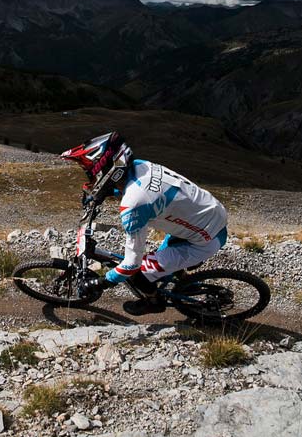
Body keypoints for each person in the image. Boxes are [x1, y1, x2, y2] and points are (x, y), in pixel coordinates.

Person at [60, 132, 228, 316]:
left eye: (90, 174)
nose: (90, 178)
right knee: (157, 260)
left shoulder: (134, 204)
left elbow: (131, 264)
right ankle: (183, 281)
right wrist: (105, 193)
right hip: (208, 215)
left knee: (136, 273)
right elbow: (141, 190)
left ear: (105, 170)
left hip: (204, 239)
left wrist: (101, 282)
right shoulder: (141, 166)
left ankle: (154, 302)